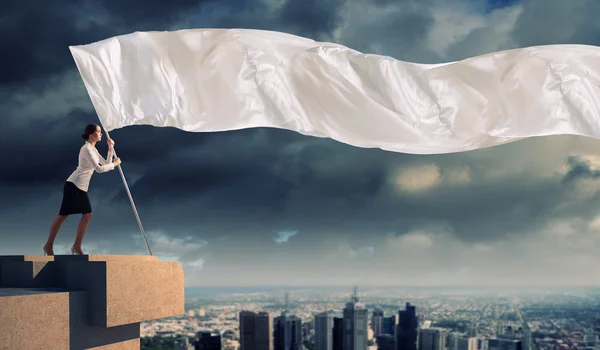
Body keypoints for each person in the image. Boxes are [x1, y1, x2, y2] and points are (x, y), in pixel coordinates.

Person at [42, 124, 122, 256]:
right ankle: (49, 245)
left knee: (87, 215)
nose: (101, 134)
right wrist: (115, 164)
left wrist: (110, 148)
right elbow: (99, 169)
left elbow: (105, 164)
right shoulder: (86, 149)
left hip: (81, 187)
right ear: (91, 134)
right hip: (73, 185)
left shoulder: (93, 149)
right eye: (98, 132)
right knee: (63, 215)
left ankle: (76, 246)